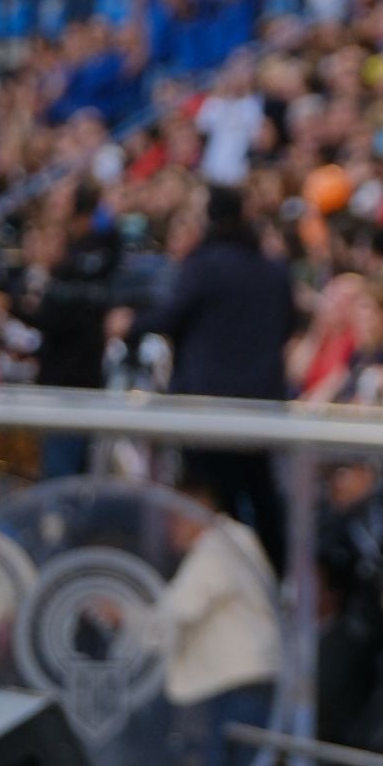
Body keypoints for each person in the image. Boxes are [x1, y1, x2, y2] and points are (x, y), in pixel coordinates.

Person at [124, 185, 294, 566]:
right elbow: (286, 326)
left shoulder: (203, 266)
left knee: (212, 501)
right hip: (261, 409)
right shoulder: (272, 271)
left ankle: (225, 578)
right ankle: (273, 580)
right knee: (260, 497)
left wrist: (127, 324)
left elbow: (169, 317)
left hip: (206, 408)